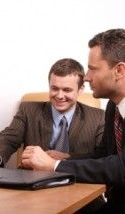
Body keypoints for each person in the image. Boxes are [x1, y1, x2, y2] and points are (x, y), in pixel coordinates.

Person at [22, 28, 125, 212]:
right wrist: (66, 158)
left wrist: (54, 165)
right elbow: (102, 156)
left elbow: (120, 167)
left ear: (119, 70)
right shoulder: (113, 107)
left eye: (93, 69)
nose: (86, 77)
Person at [0, 58, 105, 168]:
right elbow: (8, 139)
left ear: (80, 89)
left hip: (79, 184)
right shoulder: (29, 110)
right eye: (54, 88)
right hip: (33, 184)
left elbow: (102, 157)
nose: (60, 96)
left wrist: (66, 158)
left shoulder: (98, 117)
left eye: (67, 90)